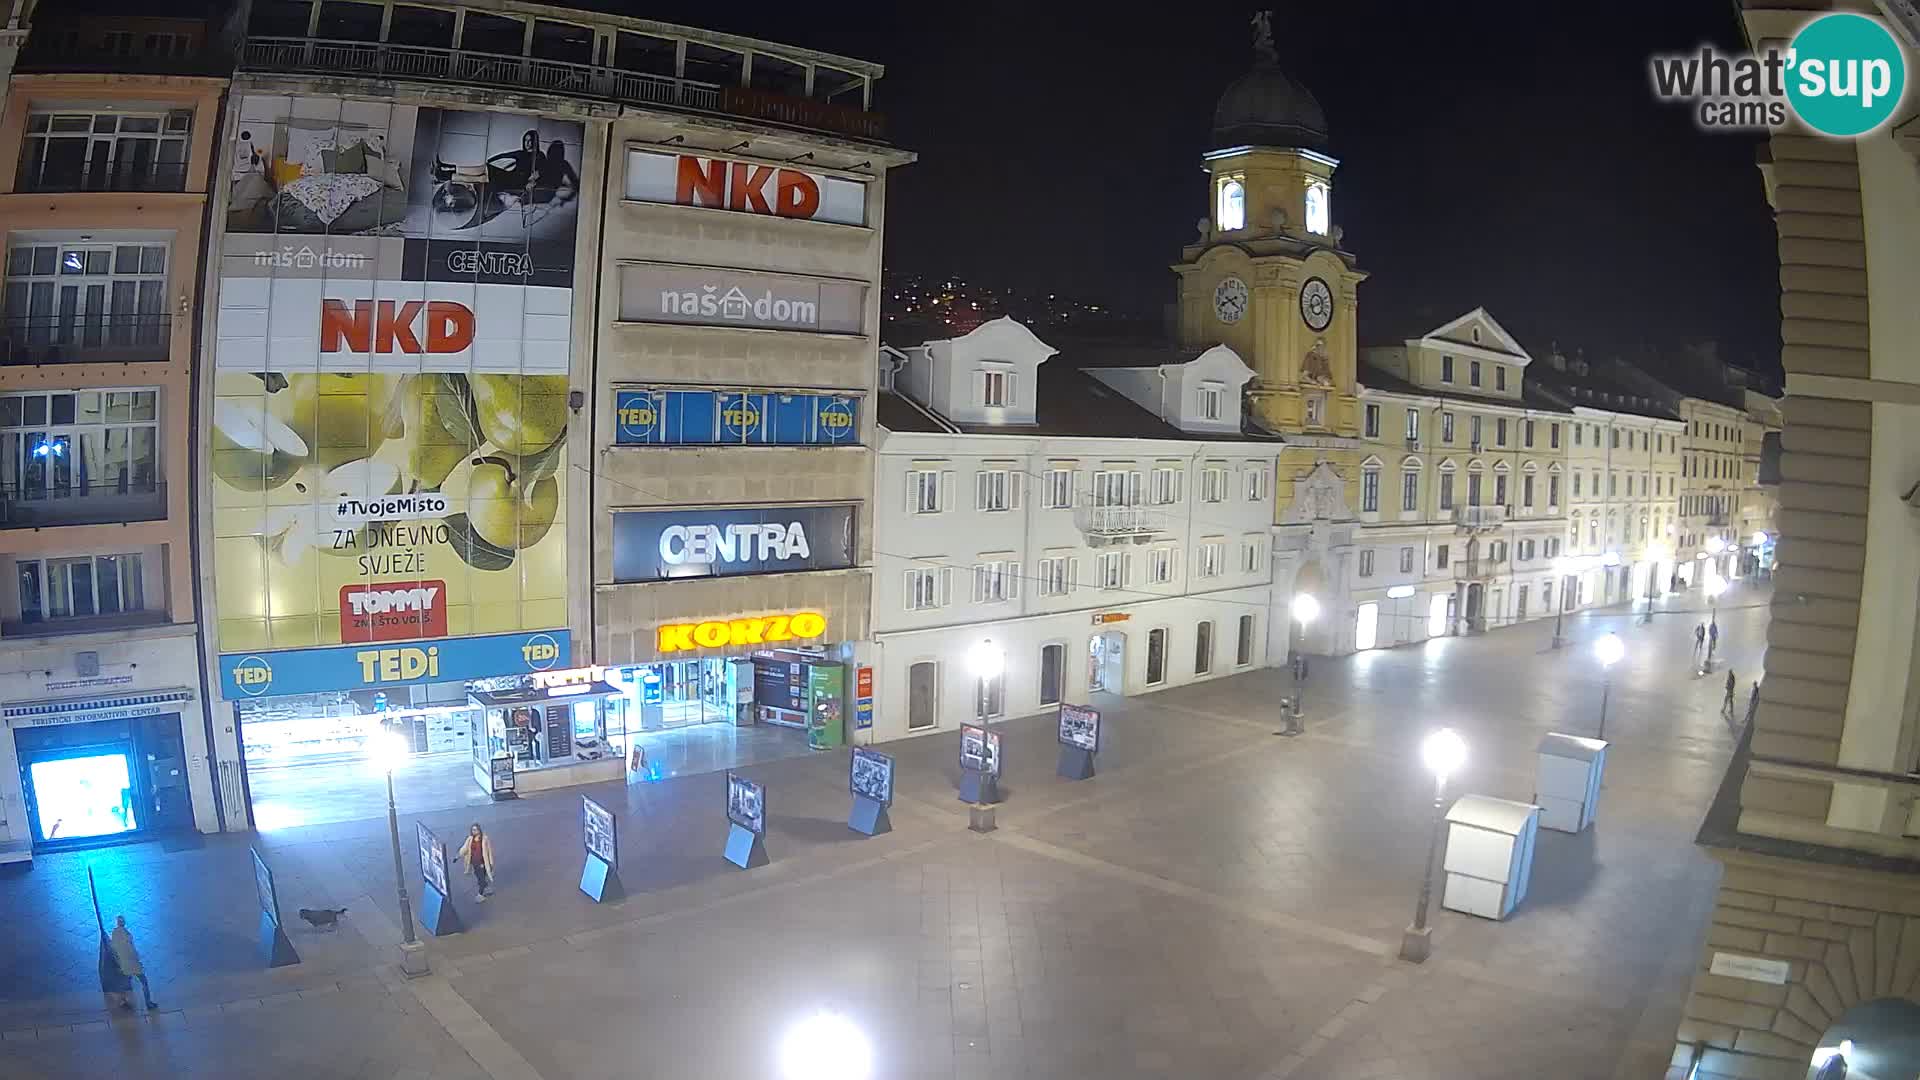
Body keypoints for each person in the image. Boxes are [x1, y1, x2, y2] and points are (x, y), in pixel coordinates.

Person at [109, 915, 157, 1010]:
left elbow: (113, 948)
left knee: (124, 983)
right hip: (132, 963)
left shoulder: (114, 934)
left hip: (123, 964)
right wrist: (137, 959)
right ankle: (148, 1003)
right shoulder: (126, 935)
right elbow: (131, 950)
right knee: (144, 982)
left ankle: (123, 1001)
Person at [457, 823, 496, 902]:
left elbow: (489, 852)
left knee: (481, 879)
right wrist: (458, 856)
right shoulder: (470, 839)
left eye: (475, 830)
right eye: (473, 830)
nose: (474, 831)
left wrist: (491, 863)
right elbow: (464, 849)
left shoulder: (484, 839)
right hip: (474, 863)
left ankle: (480, 894)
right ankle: (486, 888)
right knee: (479, 877)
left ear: (479, 830)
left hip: (482, 863)